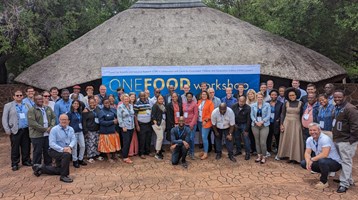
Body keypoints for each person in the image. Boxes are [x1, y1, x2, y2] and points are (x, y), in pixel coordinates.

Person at [32, 114, 76, 183]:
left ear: (68, 121)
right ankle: (64, 176)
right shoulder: (54, 130)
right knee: (66, 155)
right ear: (59, 120)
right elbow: (52, 144)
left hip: (66, 149)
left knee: (60, 169)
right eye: (62, 119)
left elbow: (74, 139)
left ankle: (40, 167)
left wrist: (70, 147)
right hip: (54, 150)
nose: (64, 121)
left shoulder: (71, 129)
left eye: (65, 119)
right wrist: (63, 149)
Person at [300, 123, 342, 190]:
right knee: (303, 163)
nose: (312, 132)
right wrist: (308, 161)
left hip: (335, 163)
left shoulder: (325, 139)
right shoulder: (309, 139)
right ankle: (324, 172)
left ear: (319, 130)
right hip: (322, 161)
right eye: (310, 130)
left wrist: (312, 159)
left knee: (322, 161)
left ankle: (324, 182)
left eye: (314, 130)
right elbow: (307, 152)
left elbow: (325, 154)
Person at [332, 90, 358, 193]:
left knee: (346, 161)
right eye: (335, 97)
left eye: (339, 97)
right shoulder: (337, 107)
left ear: (345, 97)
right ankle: (349, 179)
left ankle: (344, 184)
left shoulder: (350, 108)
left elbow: (355, 125)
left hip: (346, 140)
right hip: (338, 138)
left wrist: (351, 139)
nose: (337, 99)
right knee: (343, 160)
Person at [2, 89, 32, 171]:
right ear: (14, 97)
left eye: (20, 95)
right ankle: (15, 163)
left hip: (26, 129)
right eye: (17, 95)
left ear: (23, 96)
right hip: (15, 129)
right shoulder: (8, 105)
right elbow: (4, 118)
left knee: (26, 146)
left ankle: (26, 160)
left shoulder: (26, 105)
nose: (19, 97)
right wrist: (7, 130)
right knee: (15, 147)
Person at [27, 95, 56, 166]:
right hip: (37, 135)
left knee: (47, 151)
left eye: (41, 99)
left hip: (48, 134)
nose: (40, 100)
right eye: (37, 99)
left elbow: (53, 118)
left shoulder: (48, 108)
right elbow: (33, 123)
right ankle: (37, 167)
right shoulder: (31, 110)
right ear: (34, 100)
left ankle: (48, 166)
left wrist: (51, 127)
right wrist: (45, 129)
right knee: (37, 152)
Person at [278, 87, 304, 163]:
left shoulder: (300, 103)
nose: (292, 97)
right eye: (290, 95)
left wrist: (302, 125)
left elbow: (302, 115)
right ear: (287, 96)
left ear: (296, 95)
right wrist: (281, 124)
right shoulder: (286, 103)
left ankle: (295, 157)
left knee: (295, 140)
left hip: (296, 123)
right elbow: (282, 114)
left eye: (293, 95)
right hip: (287, 123)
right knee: (288, 139)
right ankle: (288, 156)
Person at [98, 98, 121, 163]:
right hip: (106, 132)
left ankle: (114, 156)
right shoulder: (101, 112)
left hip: (114, 130)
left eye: (108, 103)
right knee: (107, 146)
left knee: (114, 144)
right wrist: (112, 122)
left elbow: (118, 117)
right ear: (103, 104)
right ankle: (109, 158)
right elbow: (101, 122)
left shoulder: (113, 110)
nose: (107, 104)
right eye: (105, 103)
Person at [250, 92, 271, 164]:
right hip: (255, 125)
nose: (260, 99)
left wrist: (262, 121)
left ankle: (264, 156)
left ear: (263, 98)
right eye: (258, 97)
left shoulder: (267, 105)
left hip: (264, 125)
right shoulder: (253, 105)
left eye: (261, 97)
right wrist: (255, 121)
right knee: (257, 141)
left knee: (263, 142)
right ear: (256, 98)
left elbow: (268, 115)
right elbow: (251, 115)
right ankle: (259, 156)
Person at [67, 100, 86, 168]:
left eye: (77, 104)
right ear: (72, 104)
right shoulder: (69, 113)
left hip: (80, 131)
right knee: (74, 147)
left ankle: (80, 159)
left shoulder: (79, 112)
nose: (76, 105)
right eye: (75, 103)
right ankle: (75, 160)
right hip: (73, 132)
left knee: (82, 146)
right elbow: (67, 123)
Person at [231, 96, 251, 160]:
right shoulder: (234, 106)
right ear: (238, 100)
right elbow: (231, 116)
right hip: (236, 124)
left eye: (243, 101)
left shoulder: (248, 108)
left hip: (244, 124)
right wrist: (234, 124)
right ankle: (238, 151)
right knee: (237, 138)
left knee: (246, 139)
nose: (241, 103)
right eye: (240, 101)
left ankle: (247, 153)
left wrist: (246, 129)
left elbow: (249, 120)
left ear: (245, 101)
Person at [117, 94, 135, 164]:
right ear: (122, 100)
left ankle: (125, 154)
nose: (126, 100)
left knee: (129, 141)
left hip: (131, 126)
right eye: (125, 99)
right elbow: (119, 117)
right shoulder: (120, 107)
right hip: (125, 127)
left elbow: (132, 116)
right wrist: (123, 126)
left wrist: (133, 126)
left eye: (127, 99)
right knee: (126, 142)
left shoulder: (130, 106)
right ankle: (125, 157)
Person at [134, 92, 152, 159]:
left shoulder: (148, 102)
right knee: (142, 139)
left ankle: (147, 151)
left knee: (148, 138)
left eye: (144, 96)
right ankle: (141, 153)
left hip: (148, 123)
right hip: (141, 124)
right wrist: (137, 125)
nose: (143, 97)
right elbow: (135, 115)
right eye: (141, 96)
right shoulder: (137, 104)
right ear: (139, 96)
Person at [82, 97, 101, 163]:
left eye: (93, 102)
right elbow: (84, 121)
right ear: (88, 103)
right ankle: (90, 157)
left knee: (96, 142)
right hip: (90, 129)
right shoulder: (86, 111)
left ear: (96, 102)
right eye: (91, 102)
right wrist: (85, 130)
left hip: (97, 129)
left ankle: (97, 155)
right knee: (90, 143)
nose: (92, 104)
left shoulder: (98, 109)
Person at [197, 91, 214, 160]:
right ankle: (204, 150)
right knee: (202, 136)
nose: (203, 95)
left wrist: (206, 120)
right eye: (202, 94)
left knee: (204, 137)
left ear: (207, 95)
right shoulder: (199, 101)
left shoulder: (210, 102)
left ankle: (206, 153)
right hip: (199, 121)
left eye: (205, 94)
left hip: (206, 122)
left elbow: (211, 113)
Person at [267, 90, 283, 159]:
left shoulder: (280, 104)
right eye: (272, 95)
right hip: (268, 122)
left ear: (277, 95)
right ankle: (268, 150)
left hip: (276, 123)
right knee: (268, 137)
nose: (273, 96)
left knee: (277, 137)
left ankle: (278, 152)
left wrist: (279, 119)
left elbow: (282, 113)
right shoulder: (267, 103)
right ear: (270, 95)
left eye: (275, 95)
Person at [182, 92, 198, 160]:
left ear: (192, 97)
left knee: (191, 139)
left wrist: (192, 124)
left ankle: (192, 153)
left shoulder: (195, 104)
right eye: (188, 97)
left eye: (190, 97)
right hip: (185, 124)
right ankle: (187, 151)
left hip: (192, 124)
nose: (189, 98)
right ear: (186, 97)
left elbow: (195, 114)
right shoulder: (184, 104)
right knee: (186, 139)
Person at [151, 95, 166, 160]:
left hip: (163, 122)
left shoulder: (163, 105)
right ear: (157, 99)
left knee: (160, 138)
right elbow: (153, 115)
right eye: (159, 99)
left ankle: (159, 151)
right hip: (157, 123)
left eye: (162, 99)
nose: (161, 100)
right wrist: (156, 123)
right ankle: (157, 153)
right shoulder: (155, 106)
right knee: (160, 137)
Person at [128, 92, 139, 157]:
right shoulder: (127, 105)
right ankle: (130, 151)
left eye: (134, 97)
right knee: (130, 138)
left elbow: (135, 116)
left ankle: (135, 151)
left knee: (134, 137)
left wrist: (136, 124)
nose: (133, 98)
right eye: (131, 97)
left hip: (134, 123)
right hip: (128, 124)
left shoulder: (135, 105)